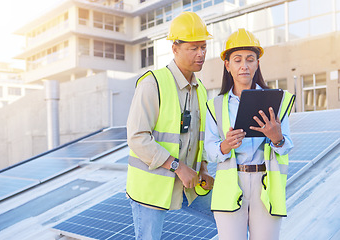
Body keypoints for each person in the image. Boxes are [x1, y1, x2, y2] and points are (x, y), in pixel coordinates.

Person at [126, 11, 215, 240]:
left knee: (231, 213)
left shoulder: (201, 90)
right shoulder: (152, 83)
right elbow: (137, 137)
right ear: (174, 48)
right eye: (193, 48)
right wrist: (177, 166)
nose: (201, 54)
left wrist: (203, 168)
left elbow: (200, 136)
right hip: (151, 188)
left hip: (189, 184)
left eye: (203, 47)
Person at [204, 28, 296, 240]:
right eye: (237, 60)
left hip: (265, 186)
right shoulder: (214, 106)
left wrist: (277, 138)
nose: (244, 65)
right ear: (227, 65)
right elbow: (210, 150)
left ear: (257, 63)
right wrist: (225, 145)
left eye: (250, 59)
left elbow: (287, 145)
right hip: (230, 186)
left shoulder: (276, 100)